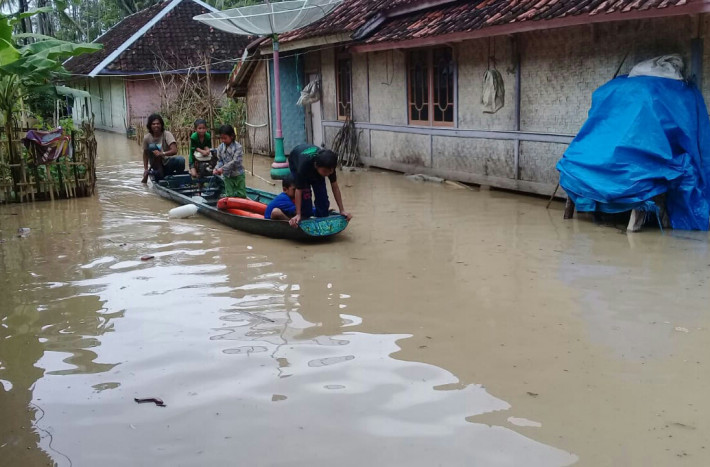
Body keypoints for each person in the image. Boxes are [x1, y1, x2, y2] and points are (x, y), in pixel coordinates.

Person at [288, 144, 352, 227]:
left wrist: (342, 210)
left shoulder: (329, 167)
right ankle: (302, 218)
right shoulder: (303, 167)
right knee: (306, 200)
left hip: (316, 169)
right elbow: (298, 190)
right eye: (325, 171)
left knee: (323, 201)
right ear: (316, 166)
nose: (328, 174)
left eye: (330, 172)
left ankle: (322, 219)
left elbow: (335, 187)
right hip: (296, 160)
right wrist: (298, 214)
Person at [141, 113, 185, 183]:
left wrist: (162, 154)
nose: (156, 126)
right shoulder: (147, 138)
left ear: (161, 125)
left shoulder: (167, 134)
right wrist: (146, 169)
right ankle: (159, 173)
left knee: (181, 160)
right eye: (153, 124)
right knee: (152, 146)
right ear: (150, 126)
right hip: (156, 165)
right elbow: (145, 154)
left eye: (158, 124)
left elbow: (174, 150)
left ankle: (179, 180)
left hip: (166, 163)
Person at [212, 124, 245, 198]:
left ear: (232, 136)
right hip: (227, 175)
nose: (223, 140)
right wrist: (216, 168)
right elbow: (220, 161)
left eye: (225, 138)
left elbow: (235, 161)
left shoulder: (238, 147)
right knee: (229, 195)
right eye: (221, 138)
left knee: (241, 195)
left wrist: (222, 169)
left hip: (238, 174)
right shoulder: (220, 148)